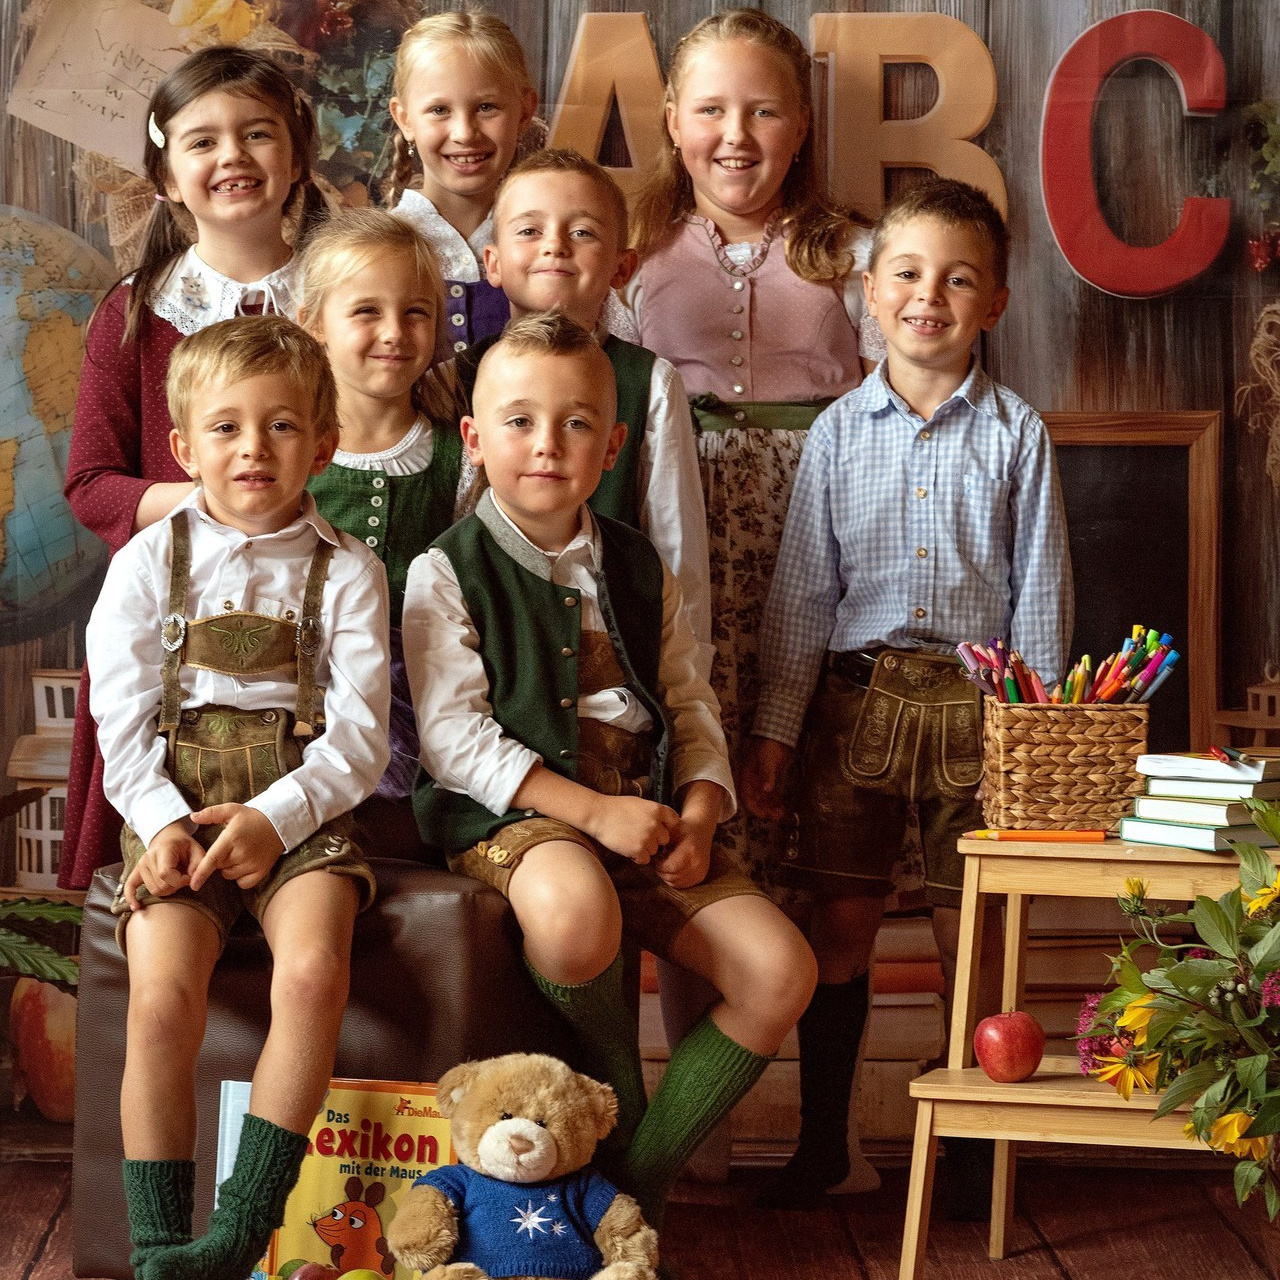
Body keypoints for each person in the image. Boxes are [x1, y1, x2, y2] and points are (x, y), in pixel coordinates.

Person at [401, 312, 816, 1227]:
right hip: (515, 817)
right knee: (577, 908)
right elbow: (454, 741)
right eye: (518, 422)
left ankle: (634, 1185)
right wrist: (590, 814)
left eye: (577, 423)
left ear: (614, 443)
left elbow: (688, 701)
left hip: (649, 813)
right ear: (473, 438)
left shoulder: (637, 564)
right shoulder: (446, 570)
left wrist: (702, 812)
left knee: (780, 969)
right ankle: (611, 1159)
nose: (547, 445)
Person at [742, 177, 1074, 1209]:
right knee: (837, 923)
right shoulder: (838, 433)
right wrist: (774, 732)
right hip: (852, 708)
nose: (929, 295)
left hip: (979, 717)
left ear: (994, 303)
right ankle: (826, 1145)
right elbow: (803, 591)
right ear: (868, 294)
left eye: (957, 278)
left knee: (960, 935)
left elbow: (1041, 594)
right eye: (907, 273)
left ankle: (971, 1150)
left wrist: (1037, 737)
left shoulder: (1017, 433)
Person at [91, 315, 391, 1280]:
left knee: (308, 976)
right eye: (224, 428)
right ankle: (157, 1248)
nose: (252, 449)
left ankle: (237, 1233)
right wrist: (162, 823)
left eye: (281, 426)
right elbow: (120, 718)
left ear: (326, 442)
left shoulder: (349, 571)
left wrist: (279, 818)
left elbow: (358, 737)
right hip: (175, 815)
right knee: (161, 1001)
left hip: (300, 818)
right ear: (183, 448)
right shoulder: (144, 564)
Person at [625, 8, 883, 898]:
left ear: (803, 126)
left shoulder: (855, 255)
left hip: (825, 522)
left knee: (817, 730)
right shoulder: (634, 257)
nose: (736, 137)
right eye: (710, 111)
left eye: (765, 112)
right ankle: (722, 940)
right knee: (708, 717)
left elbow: (898, 395)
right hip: (683, 524)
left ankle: (821, 991)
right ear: (670, 120)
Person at [60, 45, 328, 890]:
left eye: (257, 134)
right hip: (172, 627)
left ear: (295, 157)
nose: (233, 157)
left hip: (317, 613)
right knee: (164, 891)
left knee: (314, 876)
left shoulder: (342, 300)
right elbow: (92, 484)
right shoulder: (134, 314)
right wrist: (225, 497)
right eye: (203, 141)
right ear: (168, 177)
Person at [431, 147, 712, 669]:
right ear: (492, 263)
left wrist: (684, 678)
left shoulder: (648, 381)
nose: (555, 246)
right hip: (474, 643)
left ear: (622, 266)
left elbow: (677, 550)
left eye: (583, 232)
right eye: (529, 231)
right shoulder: (452, 379)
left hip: (605, 652)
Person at [296, 209, 464, 835]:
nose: (395, 331)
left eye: (416, 312)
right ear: (314, 324)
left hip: (429, 692)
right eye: (367, 311)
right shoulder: (287, 452)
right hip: (305, 694)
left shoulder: (459, 451)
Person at [386, 9, 537, 362]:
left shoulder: (548, 243)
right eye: (439, 110)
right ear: (405, 119)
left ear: (524, 111)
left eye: (486, 107)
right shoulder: (377, 247)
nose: (465, 133)